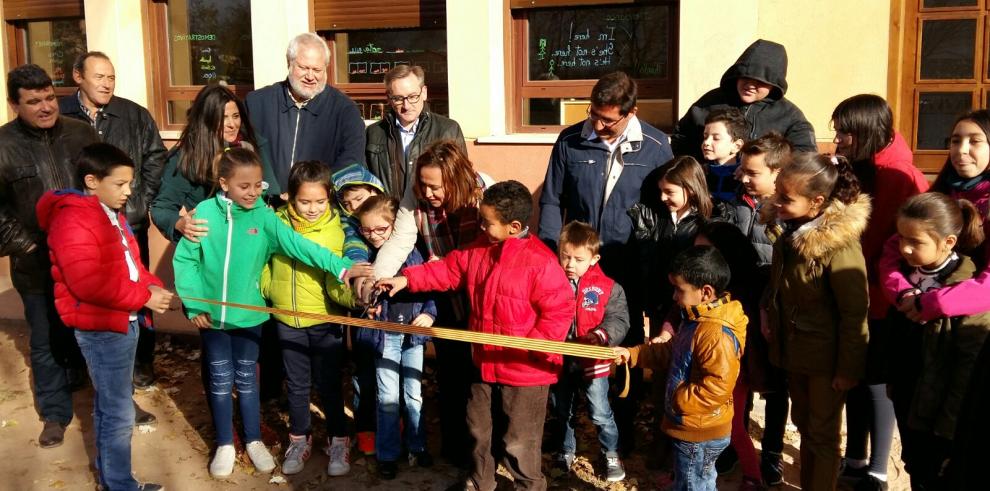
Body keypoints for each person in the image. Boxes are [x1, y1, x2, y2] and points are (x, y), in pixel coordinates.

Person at [172, 148, 368, 478]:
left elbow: (300, 246)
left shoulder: (264, 217)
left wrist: (342, 268)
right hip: (212, 319)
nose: (252, 192)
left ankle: (253, 440)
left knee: (249, 382)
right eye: (243, 186)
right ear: (223, 184)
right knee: (220, 382)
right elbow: (186, 261)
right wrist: (194, 304)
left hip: (251, 318)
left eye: (257, 186)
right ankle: (224, 444)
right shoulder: (203, 213)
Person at [377, 180, 573, 491]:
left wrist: (532, 344)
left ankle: (529, 485)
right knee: (479, 428)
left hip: (526, 371)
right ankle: (481, 480)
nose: (480, 225)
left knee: (520, 438)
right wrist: (405, 280)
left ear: (514, 226)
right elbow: (447, 271)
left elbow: (559, 312)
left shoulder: (541, 262)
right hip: (483, 362)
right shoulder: (479, 249)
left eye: (487, 221)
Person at [537, 71, 673, 453]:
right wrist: (553, 259)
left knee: (621, 348)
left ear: (632, 113)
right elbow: (551, 200)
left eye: (606, 119)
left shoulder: (657, 146)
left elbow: (661, 213)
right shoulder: (570, 140)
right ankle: (561, 429)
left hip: (626, 269)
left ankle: (621, 433)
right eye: (592, 113)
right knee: (566, 343)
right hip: (574, 266)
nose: (596, 124)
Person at [36, 143, 171, 491]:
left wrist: (153, 286)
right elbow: (88, 284)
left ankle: (112, 477)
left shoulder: (111, 214)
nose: (128, 192)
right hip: (102, 328)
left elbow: (131, 265)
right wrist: (144, 296)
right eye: (121, 184)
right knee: (118, 412)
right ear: (92, 181)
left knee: (112, 405)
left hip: (122, 321)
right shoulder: (73, 219)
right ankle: (120, 485)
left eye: (131, 184)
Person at [874, 110, 990, 488]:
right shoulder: (939, 195)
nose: (962, 151)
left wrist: (934, 303)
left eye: (975, 141)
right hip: (914, 332)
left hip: (968, 337)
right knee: (914, 440)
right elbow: (892, 251)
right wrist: (903, 292)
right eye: (955, 140)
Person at [370, 140, 494, 466]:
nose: (427, 193)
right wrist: (378, 279)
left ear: (455, 180)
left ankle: (484, 454)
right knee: (451, 374)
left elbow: (480, 257)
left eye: (435, 186)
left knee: (479, 379)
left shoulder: (483, 197)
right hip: (445, 294)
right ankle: (456, 451)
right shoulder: (417, 199)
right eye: (422, 184)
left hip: (482, 301)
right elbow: (400, 241)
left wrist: (439, 266)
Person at [830, 94, 928, 491]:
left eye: (844, 133)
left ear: (866, 133)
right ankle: (855, 457)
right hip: (858, 290)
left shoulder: (899, 175)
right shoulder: (865, 166)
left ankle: (878, 469)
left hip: (883, 296)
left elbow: (892, 242)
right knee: (855, 375)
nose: (837, 138)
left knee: (877, 382)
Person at [0, 64, 98, 448]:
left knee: (96, 333)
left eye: (48, 97)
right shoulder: (3, 146)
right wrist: (27, 246)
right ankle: (55, 414)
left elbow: (101, 182)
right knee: (45, 341)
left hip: (84, 260)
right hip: (35, 266)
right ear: (14, 105)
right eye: (33, 101)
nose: (45, 107)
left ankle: (115, 402)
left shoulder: (81, 133)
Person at [59, 51, 168, 391]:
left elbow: (154, 157)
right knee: (89, 292)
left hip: (128, 221)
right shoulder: (62, 115)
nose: (106, 84)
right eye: (99, 77)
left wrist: (140, 200)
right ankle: (83, 365)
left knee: (139, 287)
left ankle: (141, 363)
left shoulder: (133, 114)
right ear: (79, 77)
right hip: (83, 224)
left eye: (111, 77)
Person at [763, 153, 870, 490]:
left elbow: (855, 312)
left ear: (817, 202)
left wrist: (847, 369)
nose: (775, 202)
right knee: (805, 424)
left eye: (786, 198)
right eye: (777, 193)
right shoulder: (789, 231)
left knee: (822, 435)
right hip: (797, 351)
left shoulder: (839, 246)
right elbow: (778, 283)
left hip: (826, 360)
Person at [613, 245, 748, 491]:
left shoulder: (715, 333)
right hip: (692, 426)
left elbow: (718, 385)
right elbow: (670, 350)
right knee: (693, 482)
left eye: (679, 289)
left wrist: (679, 400)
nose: (674, 296)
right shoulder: (696, 318)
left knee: (693, 484)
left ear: (705, 292)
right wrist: (633, 354)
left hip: (700, 432)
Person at [885, 193, 989, 490]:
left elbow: (967, 368)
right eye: (901, 237)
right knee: (914, 465)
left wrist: (949, 426)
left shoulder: (965, 291)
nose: (903, 248)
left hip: (940, 416)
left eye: (915, 242)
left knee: (935, 474)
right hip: (910, 396)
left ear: (948, 243)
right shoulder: (908, 276)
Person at [259, 161, 355, 477]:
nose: (312, 208)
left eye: (319, 201)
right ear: (289, 197)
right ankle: (299, 439)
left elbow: (339, 282)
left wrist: (355, 299)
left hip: (325, 322)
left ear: (329, 198)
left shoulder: (335, 232)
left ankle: (338, 439)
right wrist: (269, 289)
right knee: (297, 385)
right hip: (287, 319)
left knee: (328, 383)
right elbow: (265, 263)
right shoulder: (275, 224)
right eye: (304, 201)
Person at [725, 132, 793, 486]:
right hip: (740, 307)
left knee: (774, 384)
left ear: (778, 173)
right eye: (743, 171)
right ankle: (737, 446)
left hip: (772, 311)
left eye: (752, 172)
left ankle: (772, 451)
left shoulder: (787, 214)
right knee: (741, 378)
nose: (744, 178)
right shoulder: (736, 205)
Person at [353, 195, 435, 480]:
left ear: (394, 226)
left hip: (413, 336)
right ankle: (387, 453)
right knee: (387, 396)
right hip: (384, 335)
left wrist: (430, 314)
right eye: (366, 230)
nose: (373, 236)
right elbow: (361, 296)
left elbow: (428, 285)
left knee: (413, 395)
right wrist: (368, 306)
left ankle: (417, 445)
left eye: (380, 230)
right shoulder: (366, 257)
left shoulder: (413, 252)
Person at [150, 84, 280, 244]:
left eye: (236, 116)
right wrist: (179, 223)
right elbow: (162, 207)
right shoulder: (188, 156)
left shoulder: (252, 145)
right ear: (206, 120)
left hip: (253, 241)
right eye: (223, 118)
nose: (232, 124)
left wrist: (272, 207)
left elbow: (272, 193)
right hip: (212, 247)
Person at [550, 221, 629, 482]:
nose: (570, 264)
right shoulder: (551, 281)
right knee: (563, 408)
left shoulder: (608, 287)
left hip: (593, 361)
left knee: (599, 411)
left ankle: (610, 453)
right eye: (565, 256)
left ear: (594, 259)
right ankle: (566, 449)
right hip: (560, 359)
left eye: (578, 259)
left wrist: (601, 336)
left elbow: (618, 319)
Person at [693, 222, 765, 490]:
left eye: (706, 251)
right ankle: (692, 473)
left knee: (732, 427)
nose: (698, 258)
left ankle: (753, 477)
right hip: (702, 365)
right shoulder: (698, 282)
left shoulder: (742, 293)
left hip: (733, 371)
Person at [247, 32, 366, 190]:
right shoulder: (257, 103)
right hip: (265, 204)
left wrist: (311, 193)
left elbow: (350, 161)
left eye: (317, 70)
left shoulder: (345, 110)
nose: (310, 76)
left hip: (318, 208)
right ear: (289, 63)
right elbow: (243, 155)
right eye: (303, 68)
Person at [671, 39, 816, 159]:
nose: (750, 85)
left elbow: (805, 157)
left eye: (760, 81)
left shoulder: (790, 115)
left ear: (774, 85)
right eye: (745, 77)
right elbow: (681, 139)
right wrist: (697, 171)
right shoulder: (711, 102)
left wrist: (772, 174)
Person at [330, 163, 387, 456]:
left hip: (395, 307)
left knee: (392, 371)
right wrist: (361, 279)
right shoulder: (350, 225)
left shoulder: (392, 217)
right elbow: (354, 247)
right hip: (363, 306)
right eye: (347, 202)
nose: (353, 207)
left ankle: (393, 424)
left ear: (375, 190)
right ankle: (366, 427)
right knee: (364, 367)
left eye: (360, 198)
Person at [628, 156, 718, 333]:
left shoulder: (708, 222)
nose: (663, 197)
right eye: (661, 191)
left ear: (691, 189)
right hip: (659, 305)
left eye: (670, 192)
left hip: (692, 308)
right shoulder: (657, 218)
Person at [366, 64, 466, 200]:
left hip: (432, 216)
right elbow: (366, 184)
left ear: (424, 93)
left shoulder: (448, 130)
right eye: (398, 98)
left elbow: (460, 181)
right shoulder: (374, 133)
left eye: (413, 96)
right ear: (389, 98)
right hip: (388, 216)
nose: (406, 106)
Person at [701, 108, 749, 202]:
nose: (706, 142)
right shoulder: (701, 173)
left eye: (716, 138)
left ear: (736, 146)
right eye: (705, 137)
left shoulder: (745, 177)